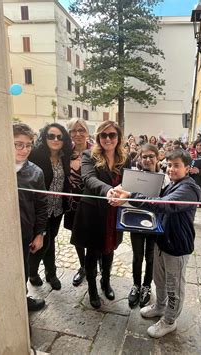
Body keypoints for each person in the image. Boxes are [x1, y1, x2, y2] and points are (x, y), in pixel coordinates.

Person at [112, 150, 201, 338]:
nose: (172, 169)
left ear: (187, 168)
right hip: (162, 241)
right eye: (169, 165)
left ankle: (169, 321)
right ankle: (160, 306)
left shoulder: (189, 188)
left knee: (174, 287)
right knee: (159, 280)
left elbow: (163, 204)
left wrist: (130, 195)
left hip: (177, 246)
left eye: (177, 165)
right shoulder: (174, 184)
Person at [70, 121, 131, 309]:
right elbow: (89, 178)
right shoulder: (89, 155)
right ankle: (93, 290)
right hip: (93, 212)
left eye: (112, 135)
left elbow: (129, 181)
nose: (107, 139)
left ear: (118, 138)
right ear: (98, 138)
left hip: (113, 211)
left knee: (109, 249)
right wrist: (108, 190)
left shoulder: (125, 158)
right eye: (103, 135)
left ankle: (106, 283)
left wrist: (125, 194)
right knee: (93, 252)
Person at [28, 123, 72, 290]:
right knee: (42, 242)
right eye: (51, 136)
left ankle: (50, 273)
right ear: (44, 137)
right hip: (40, 209)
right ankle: (33, 272)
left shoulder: (64, 156)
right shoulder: (36, 155)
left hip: (57, 208)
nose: (55, 139)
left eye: (59, 136)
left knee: (51, 240)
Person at [128, 144, 171, 309]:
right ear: (140, 158)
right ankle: (136, 285)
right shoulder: (135, 175)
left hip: (155, 223)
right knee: (137, 255)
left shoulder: (164, 178)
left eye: (151, 156)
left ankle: (147, 286)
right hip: (135, 221)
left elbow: (166, 202)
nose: (147, 159)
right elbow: (130, 198)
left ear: (157, 157)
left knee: (151, 256)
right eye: (144, 156)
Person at [13, 123, 48, 311]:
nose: (24, 149)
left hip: (24, 231)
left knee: (23, 268)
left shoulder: (36, 172)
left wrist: (39, 233)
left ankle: (23, 298)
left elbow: (42, 206)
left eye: (28, 145)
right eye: (18, 144)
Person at [64, 118, 92, 287]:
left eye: (81, 130)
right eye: (74, 130)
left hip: (91, 202)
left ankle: (94, 266)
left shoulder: (97, 152)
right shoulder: (66, 152)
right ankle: (83, 266)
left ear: (87, 132)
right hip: (71, 202)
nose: (78, 134)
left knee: (92, 234)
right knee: (76, 237)